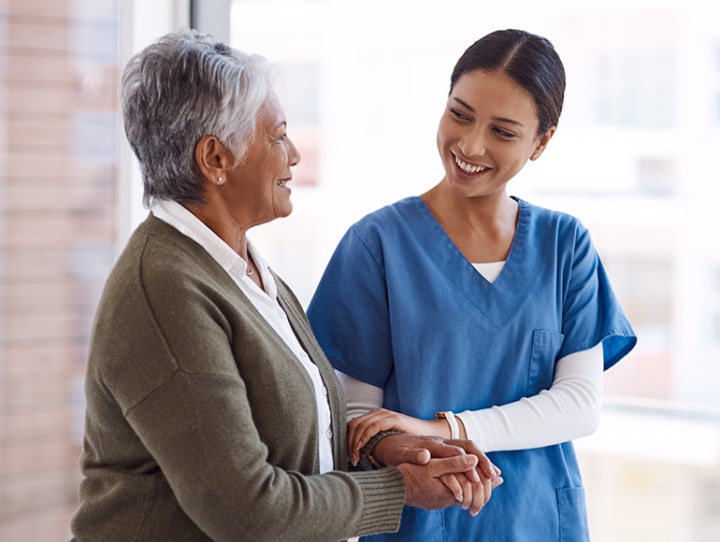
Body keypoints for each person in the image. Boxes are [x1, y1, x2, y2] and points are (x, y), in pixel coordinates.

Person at [69, 28, 503, 542]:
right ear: (215, 160)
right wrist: (397, 488)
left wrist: (381, 448)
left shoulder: (241, 270)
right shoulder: (166, 289)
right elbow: (247, 512)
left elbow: (279, 433)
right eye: (277, 136)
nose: (294, 154)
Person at [307, 28, 637, 541]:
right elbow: (359, 419)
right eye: (460, 114)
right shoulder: (376, 245)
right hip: (420, 522)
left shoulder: (564, 246)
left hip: (539, 522)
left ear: (541, 142)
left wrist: (447, 429)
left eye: (503, 132)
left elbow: (578, 404)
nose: (470, 144)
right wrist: (407, 445)